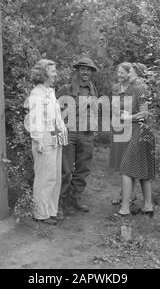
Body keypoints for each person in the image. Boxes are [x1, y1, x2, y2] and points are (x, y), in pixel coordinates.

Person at [24, 59, 68, 225]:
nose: (56, 74)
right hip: (43, 139)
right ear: (43, 74)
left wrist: (60, 136)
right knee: (45, 177)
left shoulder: (49, 91)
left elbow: (54, 118)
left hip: (54, 137)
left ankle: (51, 210)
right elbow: (35, 121)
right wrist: (40, 140)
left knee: (54, 177)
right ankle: (40, 213)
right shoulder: (37, 94)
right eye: (52, 71)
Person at [56, 57, 99, 218]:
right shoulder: (65, 89)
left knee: (83, 169)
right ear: (77, 70)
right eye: (83, 69)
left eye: (88, 69)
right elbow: (55, 112)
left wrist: (95, 128)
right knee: (65, 169)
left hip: (87, 134)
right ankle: (59, 202)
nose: (85, 72)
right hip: (70, 133)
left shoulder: (93, 90)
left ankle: (75, 197)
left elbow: (95, 111)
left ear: (91, 72)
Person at [113, 62, 155, 218]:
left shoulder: (140, 88)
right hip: (143, 131)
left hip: (140, 131)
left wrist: (128, 117)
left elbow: (145, 113)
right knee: (144, 170)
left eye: (129, 71)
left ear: (137, 73)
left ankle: (124, 209)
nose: (126, 74)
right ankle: (148, 207)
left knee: (125, 168)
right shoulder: (139, 88)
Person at [109, 63, 137, 206]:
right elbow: (113, 106)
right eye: (118, 72)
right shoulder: (115, 88)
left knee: (129, 161)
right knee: (121, 162)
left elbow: (136, 109)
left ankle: (131, 194)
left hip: (131, 128)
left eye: (122, 73)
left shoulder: (134, 88)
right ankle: (123, 193)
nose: (119, 75)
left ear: (129, 74)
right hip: (118, 127)